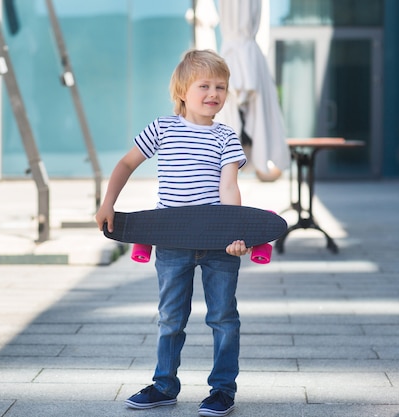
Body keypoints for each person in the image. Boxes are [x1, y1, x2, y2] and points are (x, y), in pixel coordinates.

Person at [95, 49, 249, 417]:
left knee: (223, 317)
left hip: (216, 244)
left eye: (221, 87)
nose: (214, 93)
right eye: (205, 85)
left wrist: (236, 232)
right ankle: (164, 385)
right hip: (172, 242)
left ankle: (222, 390)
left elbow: (229, 187)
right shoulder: (163, 128)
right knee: (170, 318)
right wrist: (107, 203)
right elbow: (126, 163)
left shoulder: (226, 136)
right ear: (182, 90)